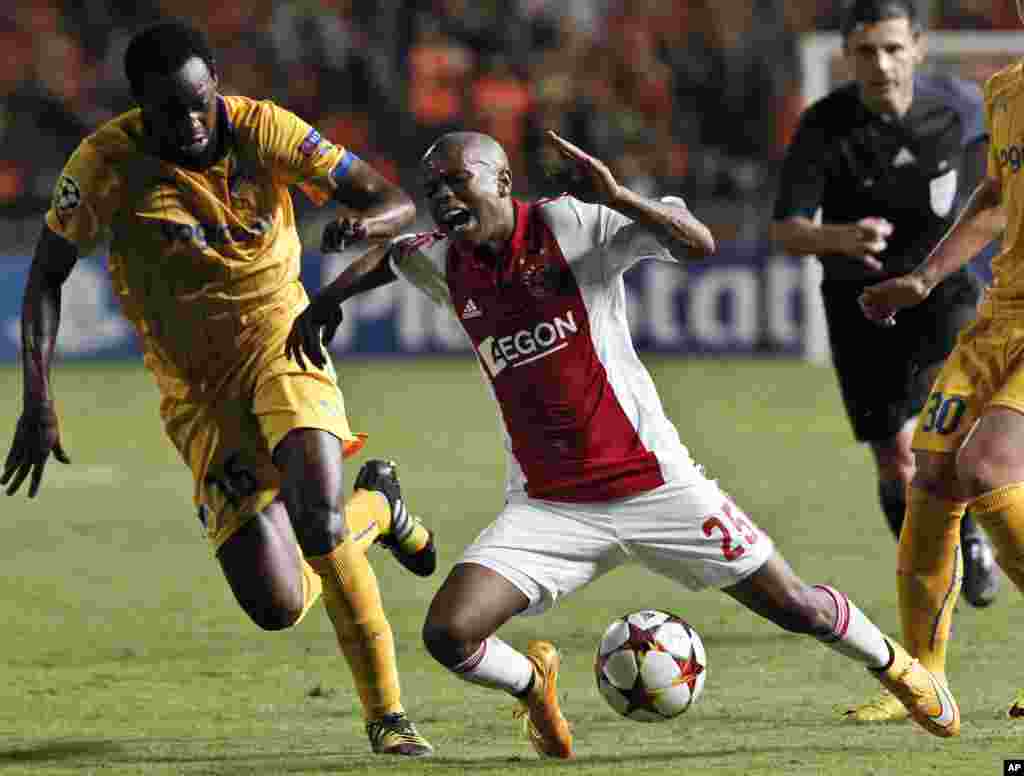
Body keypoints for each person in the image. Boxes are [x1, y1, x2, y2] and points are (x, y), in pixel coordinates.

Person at [287, 129, 962, 758]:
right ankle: (531, 684)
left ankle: (896, 667)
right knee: (449, 634)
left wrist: (617, 197)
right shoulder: (441, 258)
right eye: (431, 187)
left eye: (457, 181)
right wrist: (327, 299)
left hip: (657, 487)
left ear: (501, 181)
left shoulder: (567, 224)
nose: (441, 197)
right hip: (549, 508)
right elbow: (391, 257)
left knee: (795, 606)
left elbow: (698, 246)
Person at [1, 22, 436, 757]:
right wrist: (38, 397)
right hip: (197, 394)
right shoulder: (106, 162)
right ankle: (380, 507)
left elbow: (391, 199)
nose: (195, 122)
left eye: (203, 102)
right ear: (141, 107)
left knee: (316, 522)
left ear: (216, 90)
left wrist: (364, 222)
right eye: (174, 110)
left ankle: (388, 715)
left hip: (282, 343)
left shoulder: (265, 128)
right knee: (278, 603)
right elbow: (46, 276)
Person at [770, 0, 1002, 722]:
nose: (882, 64)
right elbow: (786, 230)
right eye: (867, 51)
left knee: (957, 438)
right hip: (861, 306)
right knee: (894, 462)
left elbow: (997, 187)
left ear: (919, 48)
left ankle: (977, 547)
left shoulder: (963, 108)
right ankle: (956, 546)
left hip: (945, 294)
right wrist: (842, 239)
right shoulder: (824, 125)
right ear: (848, 54)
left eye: (894, 49)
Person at [856, 0, 1024, 720]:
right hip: (1003, 312)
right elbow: (993, 193)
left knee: (988, 466)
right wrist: (925, 278)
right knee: (933, 477)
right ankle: (922, 677)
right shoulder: (1007, 89)